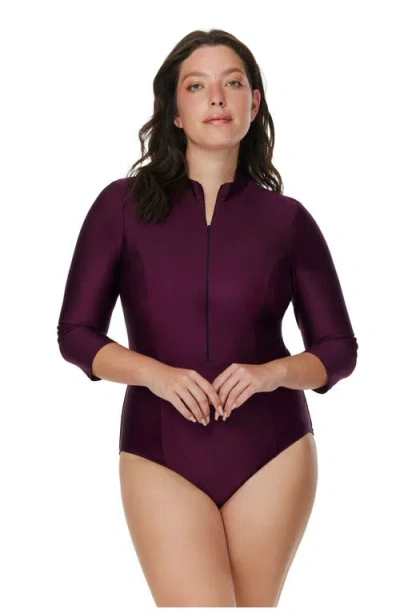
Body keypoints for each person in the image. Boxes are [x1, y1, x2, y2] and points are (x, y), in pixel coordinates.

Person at [56, 29, 358, 607]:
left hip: (273, 450)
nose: (217, 97)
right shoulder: (121, 206)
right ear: (174, 109)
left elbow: (338, 348)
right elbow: (76, 334)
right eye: (197, 86)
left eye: (233, 83)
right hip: (159, 447)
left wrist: (272, 374)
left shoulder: (289, 220)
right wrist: (157, 375)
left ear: (254, 102)